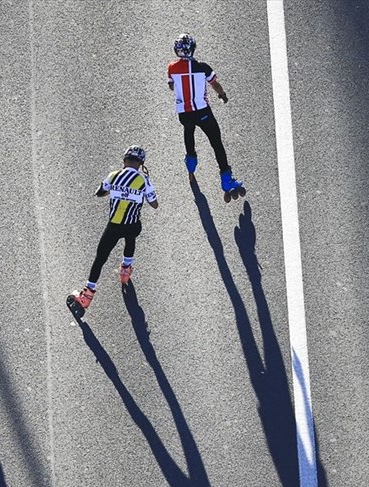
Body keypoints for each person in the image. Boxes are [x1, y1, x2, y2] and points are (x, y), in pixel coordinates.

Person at [70, 145, 159, 311]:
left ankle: (87, 295)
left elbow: (100, 193)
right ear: (141, 163)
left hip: (114, 226)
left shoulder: (114, 176)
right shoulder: (144, 180)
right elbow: (154, 204)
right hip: (132, 225)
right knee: (130, 239)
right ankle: (126, 270)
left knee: (100, 258)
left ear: (125, 160)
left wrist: (116, 191)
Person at [166, 34, 245, 200]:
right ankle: (226, 179)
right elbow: (214, 83)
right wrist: (222, 94)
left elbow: (172, 86)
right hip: (202, 111)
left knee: (188, 133)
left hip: (184, 112)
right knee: (216, 143)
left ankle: (191, 166)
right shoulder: (203, 67)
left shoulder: (171, 68)